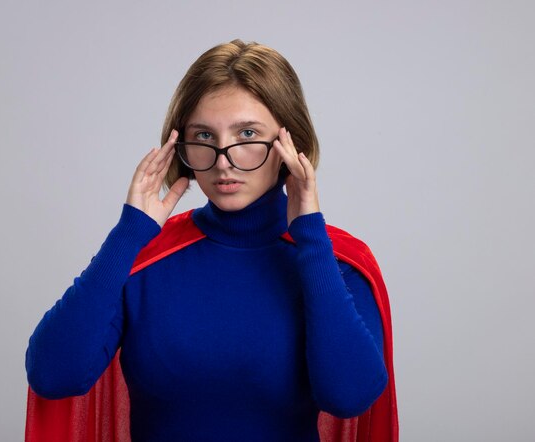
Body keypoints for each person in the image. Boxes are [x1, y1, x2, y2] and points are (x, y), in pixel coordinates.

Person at [25, 39, 398, 442]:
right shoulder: (144, 256)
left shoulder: (338, 261)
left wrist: (309, 233)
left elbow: (350, 396)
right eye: (203, 136)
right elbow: (53, 375)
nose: (223, 160)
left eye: (247, 133)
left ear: (291, 144)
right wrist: (128, 235)